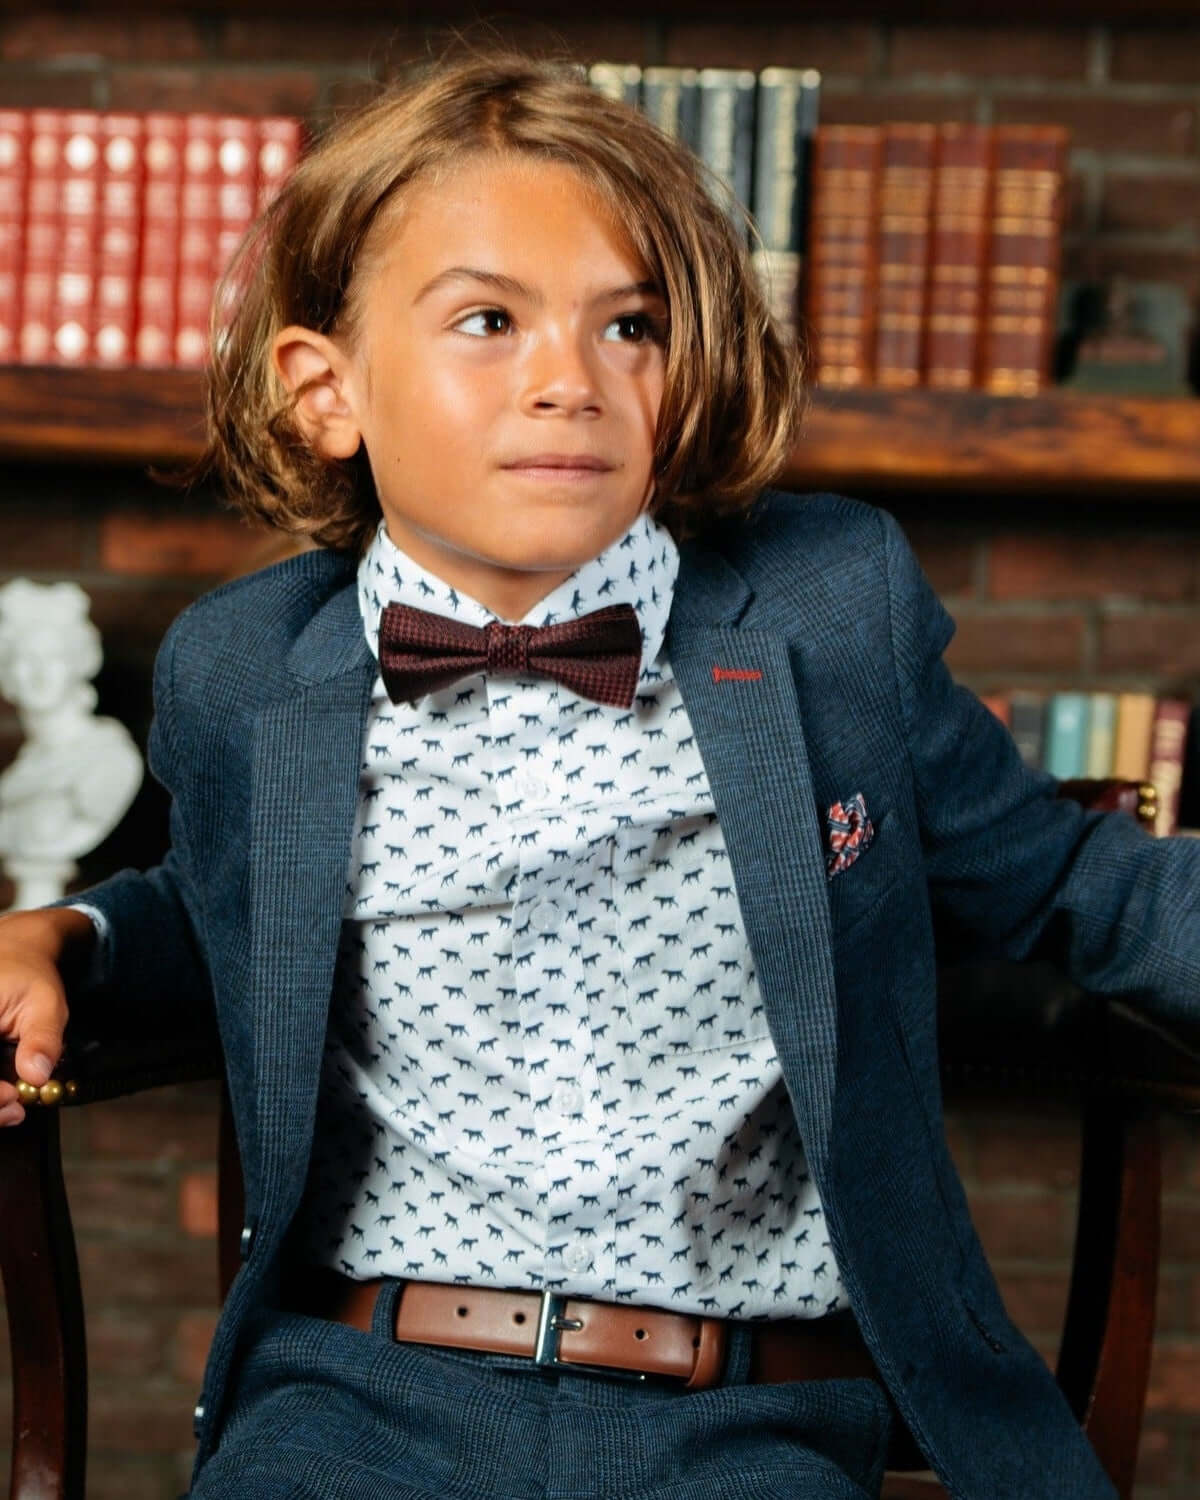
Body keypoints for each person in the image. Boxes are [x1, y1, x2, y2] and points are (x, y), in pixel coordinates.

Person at [0, 50, 1196, 1500]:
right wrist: (73, 936)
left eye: (630, 325)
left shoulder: (827, 617)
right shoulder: (244, 670)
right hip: (366, 1395)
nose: (571, 380)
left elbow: (1076, 881)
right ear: (328, 390)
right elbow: (220, 916)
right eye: (489, 320)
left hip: (752, 1410)